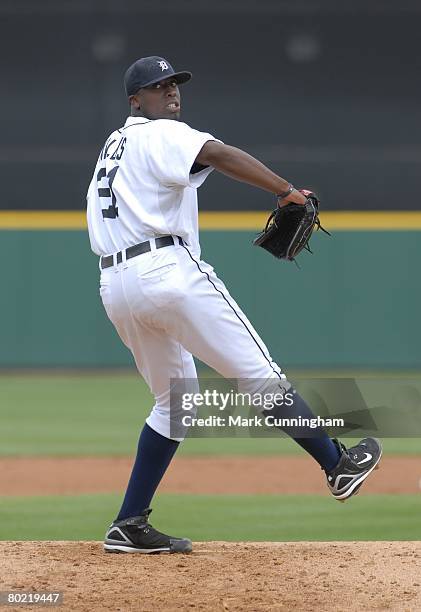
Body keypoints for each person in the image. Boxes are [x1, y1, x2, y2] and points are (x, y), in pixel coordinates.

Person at [86, 56, 382, 554]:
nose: (172, 92)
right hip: (166, 271)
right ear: (136, 100)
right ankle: (337, 465)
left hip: (116, 284)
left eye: (175, 84)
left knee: (174, 405)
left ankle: (128, 523)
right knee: (258, 374)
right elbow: (219, 154)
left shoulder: (112, 147)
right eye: (158, 87)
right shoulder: (160, 134)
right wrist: (286, 192)